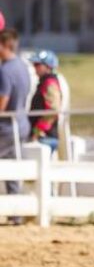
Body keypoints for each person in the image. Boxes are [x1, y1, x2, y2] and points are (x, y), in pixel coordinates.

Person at [0, 29, 32, 203]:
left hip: (4, 128)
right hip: (21, 125)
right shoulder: (22, 66)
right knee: (11, 168)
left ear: (5, 45)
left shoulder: (4, 70)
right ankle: (16, 210)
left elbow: (2, 104)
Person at [29, 50, 62, 153]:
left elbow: (53, 110)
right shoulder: (44, 83)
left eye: (38, 64)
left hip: (46, 137)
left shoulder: (49, 84)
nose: (35, 68)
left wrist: (37, 132)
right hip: (44, 137)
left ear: (48, 67)